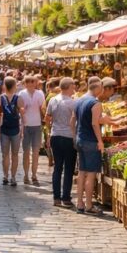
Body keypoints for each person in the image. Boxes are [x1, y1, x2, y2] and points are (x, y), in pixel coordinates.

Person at [71, 76, 109, 215]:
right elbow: (95, 123)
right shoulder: (95, 103)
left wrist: (75, 136)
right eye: (102, 87)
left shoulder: (79, 100)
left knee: (82, 172)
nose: (103, 90)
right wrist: (100, 141)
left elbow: (72, 120)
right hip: (91, 141)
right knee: (91, 174)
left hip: (80, 139)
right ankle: (88, 205)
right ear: (97, 88)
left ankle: (79, 202)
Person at [46, 77, 79, 208]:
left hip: (55, 135)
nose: (74, 88)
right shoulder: (73, 103)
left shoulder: (53, 100)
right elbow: (75, 120)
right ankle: (66, 197)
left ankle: (56, 197)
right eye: (73, 86)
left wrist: (49, 132)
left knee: (58, 167)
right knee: (69, 168)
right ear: (69, 87)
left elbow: (47, 118)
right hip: (69, 137)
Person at [17, 75, 47, 185]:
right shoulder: (21, 94)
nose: (30, 84)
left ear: (35, 83)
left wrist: (45, 118)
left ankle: (34, 175)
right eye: (28, 82)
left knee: (35, 152)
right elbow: (19, 109)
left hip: (37, 125)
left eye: (32, 82)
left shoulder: (40, 94)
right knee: (26, 152)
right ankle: (26, 174)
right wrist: (22, 110)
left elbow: (42, 109)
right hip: (25, 125)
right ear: (25, 83)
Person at [0, 76, 23, 186]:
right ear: (15, 86)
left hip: (4, 129)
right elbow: (22, 114)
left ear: (4, 86)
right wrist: (22, 129)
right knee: (15, 155)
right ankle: (13, 177)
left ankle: (5, 176)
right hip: (15, 128)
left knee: (5, 155)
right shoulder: (18, 98)